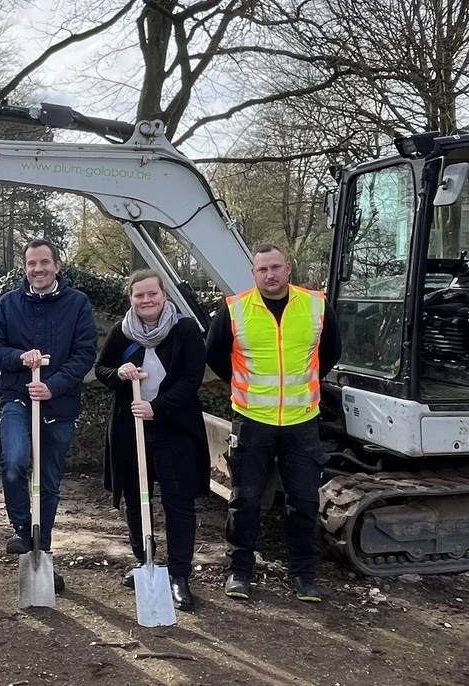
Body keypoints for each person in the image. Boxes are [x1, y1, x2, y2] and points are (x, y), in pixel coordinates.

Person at [206, 243, 341, 603]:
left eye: (276, 267)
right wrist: (246, 387)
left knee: (304, 502)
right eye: (263, 269)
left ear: (288, 268)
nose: (270, 275)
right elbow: (215, 355)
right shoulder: (234, 309)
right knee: (246, 499)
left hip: (302, 421)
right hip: (252, 421)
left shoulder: (316, 305)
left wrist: (305, 385)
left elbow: (331, 351)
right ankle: (239, 571)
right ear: (253, 273)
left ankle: (304, 575)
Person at [94, 269, 210, 611]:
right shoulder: (122, 330)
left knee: (178, 501)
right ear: (131, 298)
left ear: (164, 295)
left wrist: (156, 407)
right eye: (139, 295)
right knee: (136, 498)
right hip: (130, 429)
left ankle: (179, 574)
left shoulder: (184, 330)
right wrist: (119, 373)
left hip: (175, 428)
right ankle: (144, 562)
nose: (146, 300)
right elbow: (101, 369)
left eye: (152, 294)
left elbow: (191, 378)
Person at [0, 239, 97, 592]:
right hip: (18, 397)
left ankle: (42, 552)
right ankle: (23, 529)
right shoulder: (9, 303)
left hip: (59, 404)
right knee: (15, 463)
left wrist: (53, 386)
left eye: (44, 262)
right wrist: (20, 358)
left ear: (57, 266)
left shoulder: (77, 304)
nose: (38, 269)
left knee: (48, 482)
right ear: (24, 268)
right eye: (31, 264)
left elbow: (84, 354)